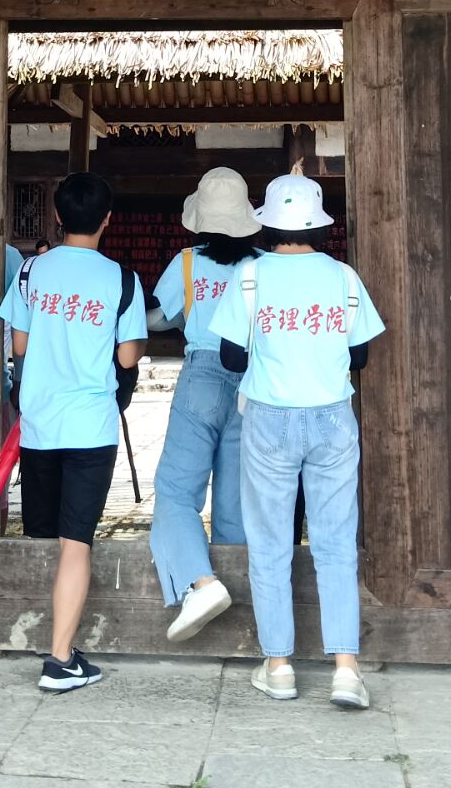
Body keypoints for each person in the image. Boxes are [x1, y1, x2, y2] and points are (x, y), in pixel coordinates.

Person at [214, 173, 385, 710]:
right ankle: (346, 670)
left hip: (269, 419)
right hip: (333, 418)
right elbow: (360, 356)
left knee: (270, 543)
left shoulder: (249, 276)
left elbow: (231, 357)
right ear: (318, 226)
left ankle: (280, 666)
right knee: (336, 543)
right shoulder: (343, 277)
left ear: (267, 224)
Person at [0, 172, 147, 692]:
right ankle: (60, 660)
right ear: (108, 220)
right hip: (91, 428)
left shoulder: (31, 271)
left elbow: (19, 345)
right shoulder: (122, 279)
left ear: (58, 216)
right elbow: (127, 357)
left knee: (40, 533)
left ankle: (38, 633)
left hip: (39, 425)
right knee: (76, 541)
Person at [147, 167, 260, 641]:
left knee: (176, 491)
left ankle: (202, 582)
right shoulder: (262, 266)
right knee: (237, 498)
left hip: (202, 376)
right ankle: (240, 612)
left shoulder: (188, 262)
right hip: (253, 380)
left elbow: (159, 318)